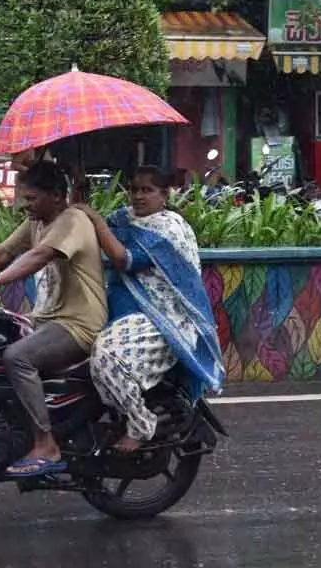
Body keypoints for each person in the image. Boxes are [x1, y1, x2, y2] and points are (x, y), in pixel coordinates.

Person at [0, 161, 107, 477]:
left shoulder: (72, 220)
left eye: (32, 198)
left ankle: (46, 444)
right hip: (47, 318)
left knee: (17, 358)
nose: (25, 205)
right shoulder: (38, 221)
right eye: (24, 198)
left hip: (79, 323)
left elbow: (39, 257)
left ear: (57, 195)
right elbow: (1, 253)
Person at [75, 166, 226, 453]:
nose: (138, 196)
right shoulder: (126, 219)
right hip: (128, 309)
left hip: (165, 319)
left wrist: (97, 221)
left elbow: (125, 260)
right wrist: (79, 196)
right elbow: (95, 232)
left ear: (164, 195)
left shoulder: (169, 228)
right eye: (133, 189)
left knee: (107, 357)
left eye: (147, 190)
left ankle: (142, 423)